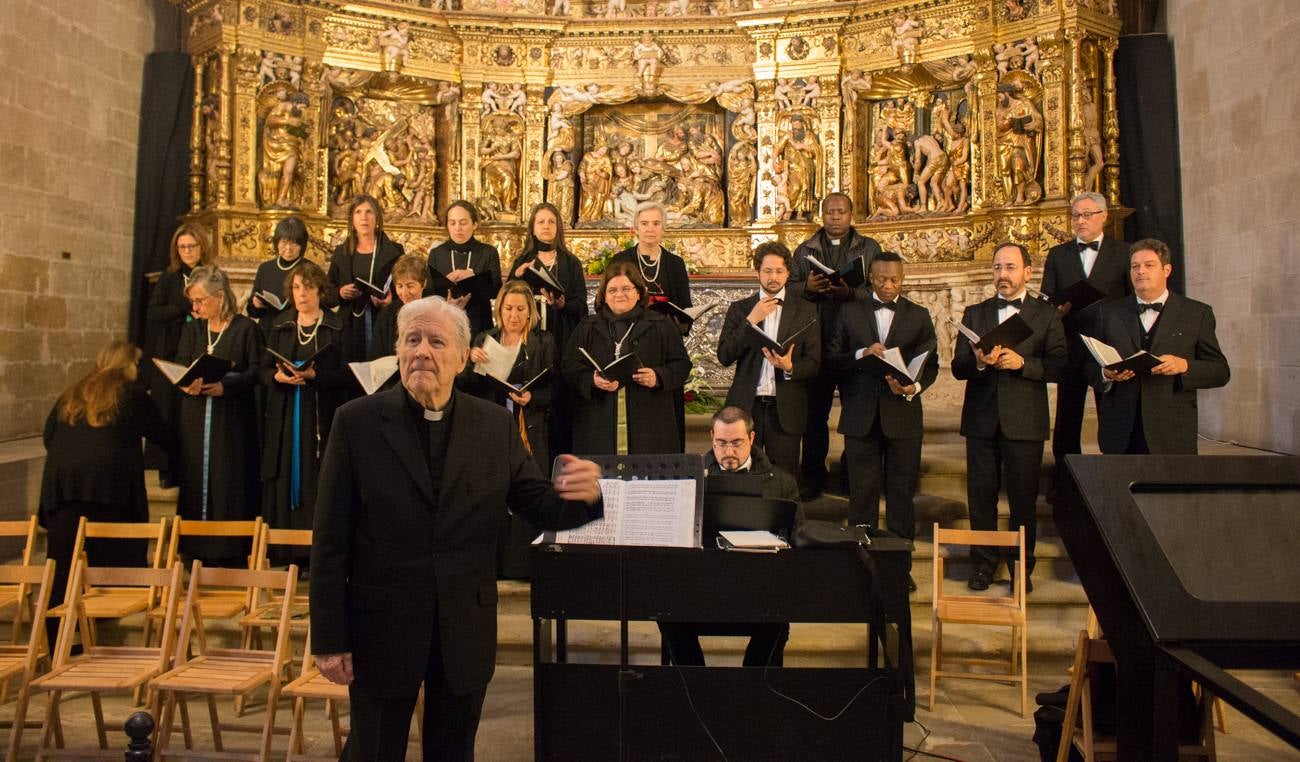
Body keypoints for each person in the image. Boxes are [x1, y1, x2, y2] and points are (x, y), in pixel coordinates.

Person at [309, 296, 604, 760]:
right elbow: (329, 542)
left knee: (453, 752)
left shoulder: (491, 425)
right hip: (382, 626)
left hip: (462, 627)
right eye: (412, 340)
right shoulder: (357, 423)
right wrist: (329, 639)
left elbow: (538, 505)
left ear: (464, 358)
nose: (422, 351)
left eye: (436, 341)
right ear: (399, 350)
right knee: (373, 750)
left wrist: (582, 498)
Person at [39, 340, 178, 648]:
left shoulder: (73, 392)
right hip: (110, 490)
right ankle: (111, 634)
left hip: (64, 490)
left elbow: (49, 436)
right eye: (137, 364)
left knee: (61, 566)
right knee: (118, 557)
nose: (138, 370)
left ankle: (57, 643)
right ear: (127, 365)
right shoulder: (131, 395)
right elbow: (163, 435)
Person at [952, 243, 1066, 593]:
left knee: (1022, 499)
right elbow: (958, 367)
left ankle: (1021, 568)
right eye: (998, 267)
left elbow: (1061, 365)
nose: (1003, 274)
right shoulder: (975, 312)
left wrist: (1023, 364)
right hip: (982, 419)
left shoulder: (1046, 315)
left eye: (1011, 267)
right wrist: (980, 363)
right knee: (981, 496)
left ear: (1027, 272)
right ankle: (983, 564)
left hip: (1025, 420)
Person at [660, 406, 799, 668]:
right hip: (703, 585)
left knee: (778, 619)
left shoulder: (781, 482)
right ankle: (695, 685)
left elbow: (796, 537)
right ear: (712, 437)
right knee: (666, 611)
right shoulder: (691, 477)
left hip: (758, 588)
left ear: (752, 438)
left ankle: (752, 687)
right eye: (721, 443)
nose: (728, 452)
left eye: (737, 443)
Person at [830, 251, 938, 586]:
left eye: (894, 279)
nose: (888, 285)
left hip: (902, 415)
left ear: (903, 278)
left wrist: (911, 387)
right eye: (881, 279)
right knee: (861, 495)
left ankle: (897, 570)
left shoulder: (919, 315)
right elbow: (832, 359)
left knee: (901, 495)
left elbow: (931, 364)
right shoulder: (849, 311)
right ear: (871, 279)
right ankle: (858, 568)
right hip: (861, 415)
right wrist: (862, 353)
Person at [1086, 239, 1230, 454]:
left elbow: (1220, 371)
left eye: (1149, 265)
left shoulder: (1197, 314)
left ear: (1167, 269)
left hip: (1172, 431)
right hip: (1119, 431)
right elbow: (1087, 367)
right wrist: (1105, 373)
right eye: (1135, 266)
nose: (1141, 271)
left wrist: (1183, 365)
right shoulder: (1109, 313)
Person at [461, 280, 558, 579]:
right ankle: (495, 564)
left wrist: (533, 398)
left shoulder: (543, 341)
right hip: (492, 427)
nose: (514, 315)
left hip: (529, 426)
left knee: (528, 491)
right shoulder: (485, 339)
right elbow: (467, 387)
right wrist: (470, 363)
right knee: (494, 491)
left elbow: (556, 386)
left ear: (530, 312)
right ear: (498, 310)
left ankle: (525, 564)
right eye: (508, 308)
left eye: (520, 309)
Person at [789, 192, 882, 500]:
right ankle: (813, 475)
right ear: (822, 215)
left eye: (841, 211)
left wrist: (850, 293)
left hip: (856, 340)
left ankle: (850, 474)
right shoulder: (805, 250)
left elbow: (880, 288)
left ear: (851, 214)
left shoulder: (869, 248)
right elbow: (788, 290)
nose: (836, 217)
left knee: (857, 412)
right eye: (830, 212)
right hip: (818, 339)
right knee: (814, 414)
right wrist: (807, 287)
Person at [259, 262, 350, 561]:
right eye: (297, 288)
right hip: (287, 414)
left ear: (321, 291)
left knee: (318, 476)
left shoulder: (336, 326)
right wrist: (277, 377)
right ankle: (286, 551)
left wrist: (316, 377)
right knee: (284, 473)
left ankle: (316, 552)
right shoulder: (281, 325)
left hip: (319, 414)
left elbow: (349, 374)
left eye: (308, 288)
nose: (302, 294)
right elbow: (261, 369)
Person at [175, 266, 264, 566]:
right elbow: (181, 363)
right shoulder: (192, 329)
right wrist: (187, 382)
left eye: (200, 301)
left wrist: (226, 385)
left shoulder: (245, 329)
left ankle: (229, 549)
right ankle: (194, 548)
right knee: (195, 475)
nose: (196, 307)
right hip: (195, 415)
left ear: (219, 297)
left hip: (231, 417)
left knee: (229, 476)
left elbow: (256, 371)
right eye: (193, 302)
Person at [1040, 192, 1129, 489]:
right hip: (1071, 344)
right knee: (1067, 416)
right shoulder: (1059, 254)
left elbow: (1131, 302)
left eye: (1087, 214)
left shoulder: (1124, 253)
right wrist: (1058, 310)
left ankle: (1113, 481)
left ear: (1104, 216)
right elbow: (1047, 299)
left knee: (1112, 414)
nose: (1080, 221)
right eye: (1076, 215)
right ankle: (1064, 484)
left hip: (1109, 346)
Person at [561, 262, 692, 455]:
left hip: (649, 426)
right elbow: (569, 365)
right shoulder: (587, 326)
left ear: (639, 292)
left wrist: (658, 376)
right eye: (612, 290)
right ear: (604, 295)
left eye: (626, 288)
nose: (619, 294)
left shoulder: (660, 324)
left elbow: (681, 364)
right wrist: (592, 380)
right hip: (598, 424)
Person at [716, 241, 821, 479]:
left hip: (786, 407)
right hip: (746, 405)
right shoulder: (740, 309)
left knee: (783, 478)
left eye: (779, 271)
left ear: (788, 273)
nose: (773, 277)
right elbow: (724, 356)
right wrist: (750, 321)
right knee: (742, 476)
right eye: (767, 271)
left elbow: (814, 362)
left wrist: (790, 367)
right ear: (758, 272)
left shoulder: (806, 310)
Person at [507, 202, 588, 458]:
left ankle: (562, 459)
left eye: (551, 222)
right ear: (532, 228)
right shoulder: (522, 261)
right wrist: (516, 278)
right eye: (541, 222)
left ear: (558, 228)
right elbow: (507, 302)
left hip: (562, 336)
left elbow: (581, 306)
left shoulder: (570, 262)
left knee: (561, 399)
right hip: (530, 339)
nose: (546, 226)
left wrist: (563, 304)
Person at [612, 201, 693, 450]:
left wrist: (677, 320)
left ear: (664, 228)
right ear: (635, 227)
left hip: (664, 345)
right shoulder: (621, 260)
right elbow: (608, 301)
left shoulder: (675, 264)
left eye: (656, 223)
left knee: (665, 411)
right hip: (628, 342)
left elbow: (685, 309)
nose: (650, 229)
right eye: (645, 223)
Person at [146, 223, 214, 485]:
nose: (187, 251)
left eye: (191, 246)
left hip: (200, 344)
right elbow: (154, 312)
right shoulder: (170, 276)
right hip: (171, 348)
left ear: (201, 247)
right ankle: (167, 469)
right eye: (182, 247)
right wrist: (182, 307)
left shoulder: (211, 275)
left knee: (191, 411)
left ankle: (194, 468)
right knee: (168, 411)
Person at [324, 195, 405, 363]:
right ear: (352, 219)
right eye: (358, 212)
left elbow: (407, 288)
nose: (364, 217)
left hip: (383, 322)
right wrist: (340, 292)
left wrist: (392, 301)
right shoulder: (342, 252)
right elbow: (325, 293)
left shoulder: (394, 252)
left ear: (377, 218)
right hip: (349, 325)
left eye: (369, 212)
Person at [427, 200, 502, 338]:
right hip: (445, 323)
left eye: (463, 223)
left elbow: (497, 289)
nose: (457, 228)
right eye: (452, 223)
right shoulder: (437, 254)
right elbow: (429, 293)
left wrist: (474, 275)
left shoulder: (488, 252)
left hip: (479, 324)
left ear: (474, 224)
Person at [246, 215, 310, 336]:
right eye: (284, 242)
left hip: (295, 333)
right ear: (276, 242)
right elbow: (252, 312)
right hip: (266, 332)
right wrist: (255, 304)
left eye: (294, 244)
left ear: (302, 245)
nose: (288, 249)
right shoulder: (265, 268)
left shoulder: (310, 269)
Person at [369, 253, 428, 360]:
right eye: (400, 286)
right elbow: (376, 356)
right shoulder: (387, 314)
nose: (404, 293)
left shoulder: (435, 313)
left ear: (423, 284)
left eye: (410, 286)